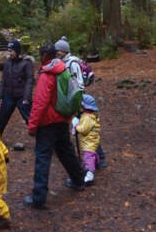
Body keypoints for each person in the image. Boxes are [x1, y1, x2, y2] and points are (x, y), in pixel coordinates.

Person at [23, 43, 87, 209]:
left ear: (44, 56)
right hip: (62, 119)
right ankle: (79, 180)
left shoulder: (47, 74)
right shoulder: (62, 69)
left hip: (47, 123)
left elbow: (40, 102)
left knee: (43, 158)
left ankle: (38, 197)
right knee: (66, 151)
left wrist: (32, 125)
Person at [55, 38, 107, 167]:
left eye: (59, 51)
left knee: (87, 128)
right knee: (75, 126)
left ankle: (100, 158)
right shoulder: (63, 63)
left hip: (77, 101)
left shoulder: (72, 63)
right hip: (70, 101)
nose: (57, 53)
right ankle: (95, 158)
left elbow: (79, 84)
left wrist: (74, 101)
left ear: (64, 51)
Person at [0, 40, 33, 137]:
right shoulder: (8, 62)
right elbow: (4, 79)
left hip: (22, 96)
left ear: (17, 51)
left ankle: (43, 140)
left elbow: (30, 80)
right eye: (8, 51)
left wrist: (27, 97)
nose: (9, 53)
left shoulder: (27, 63)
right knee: (1, 119)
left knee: (30, 119)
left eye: (11, 51)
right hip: (8, 95)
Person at [73, 94, 101, 185]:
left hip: (89, 142)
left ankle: (89, 175)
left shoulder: (87, 117)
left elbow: (83, 130)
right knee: (92, 153)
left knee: (88, 157)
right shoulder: (89, 115)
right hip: (92, 141)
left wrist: (76, 125)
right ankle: (97, 162)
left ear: (84, 107)